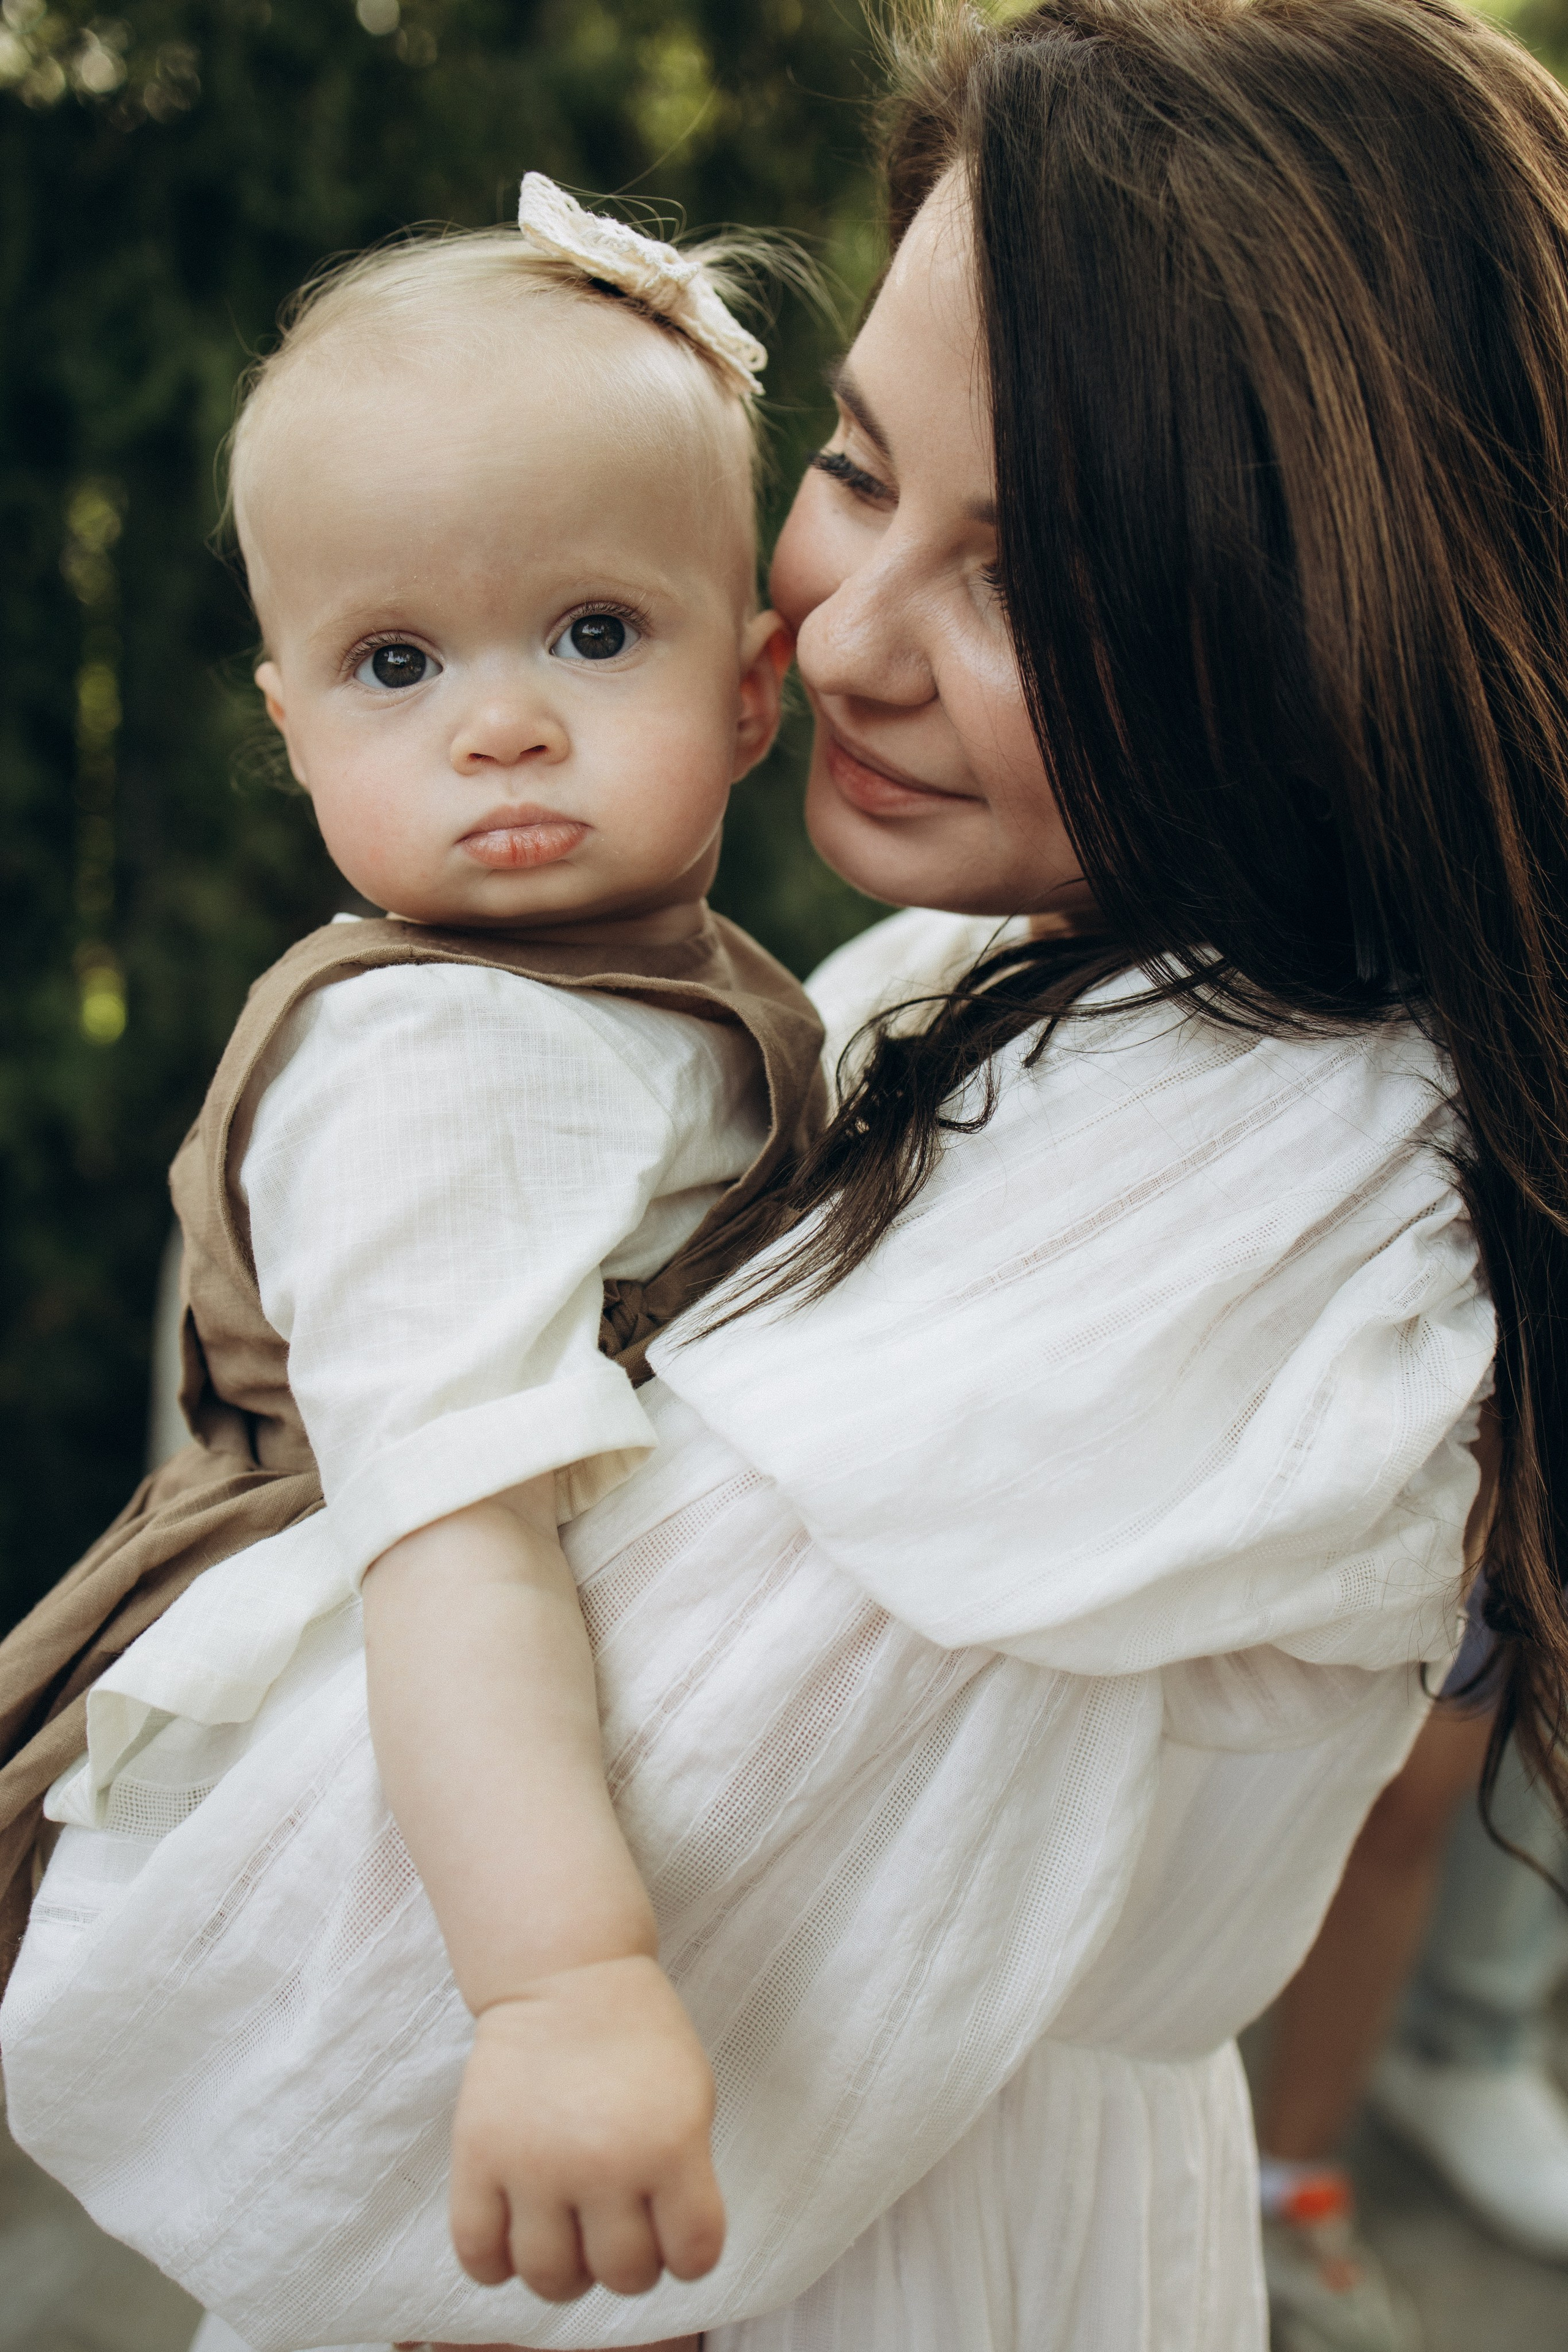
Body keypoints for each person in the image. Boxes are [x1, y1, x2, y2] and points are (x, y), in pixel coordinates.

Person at [6, 2, 1568, 2348]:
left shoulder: (1250, 1203)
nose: (824, 631)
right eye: (850, 465)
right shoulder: (1003, 943)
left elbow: (294, 2076)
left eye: (1028, 575)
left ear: (1319, 620)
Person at [0, 173, 826, 2351]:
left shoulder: (599, 991)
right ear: (289, 725)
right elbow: (455, 1532)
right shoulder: (458, 1057)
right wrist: (561, 1987)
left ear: (753, 688)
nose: (501, 723)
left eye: (591, 633)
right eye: (396, 663)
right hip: (422, 1779)